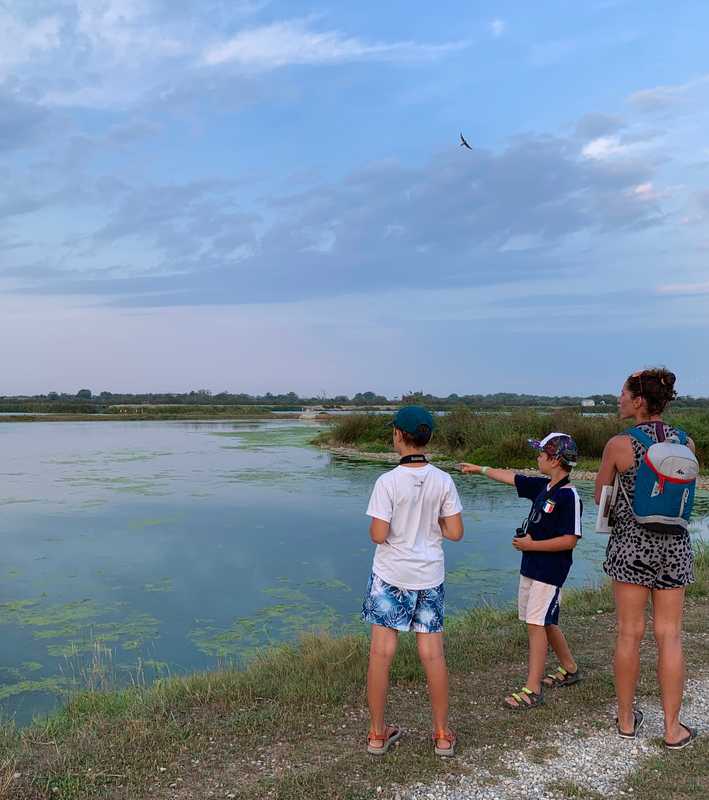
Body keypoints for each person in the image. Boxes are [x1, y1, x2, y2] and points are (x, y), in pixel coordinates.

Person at [596, 368, 698, 749]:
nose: (618, 398)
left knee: (629, 633)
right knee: (669, 635)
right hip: (674, 546)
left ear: (638, 401)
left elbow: (600, 498)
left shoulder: (619, 444)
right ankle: (673, 728)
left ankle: (626, 720)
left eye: (623, 393)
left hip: (631, 547)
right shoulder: (686, 443)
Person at [362, 405, 464, 756]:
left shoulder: (387, 482)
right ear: (427, 438)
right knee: (432, 654)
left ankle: (378, 734)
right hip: (429, 576)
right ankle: (441, 735)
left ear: (398, 436)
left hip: (391, 575)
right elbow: (455, 532)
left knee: (381, 652)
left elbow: (378, 534)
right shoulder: (443, 480)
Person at [459, 432, 582, 709]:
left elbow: (570, 539)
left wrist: (532, 544)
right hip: (532, 567)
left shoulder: (568, 496)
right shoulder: (543, 487)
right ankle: (570, 669)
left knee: (536, 625)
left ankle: (532, 689)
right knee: (545, 621)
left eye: (541, 453)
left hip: (549, 572)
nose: (537, 457)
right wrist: (479, 469)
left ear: (554, 459)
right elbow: (512, 478)